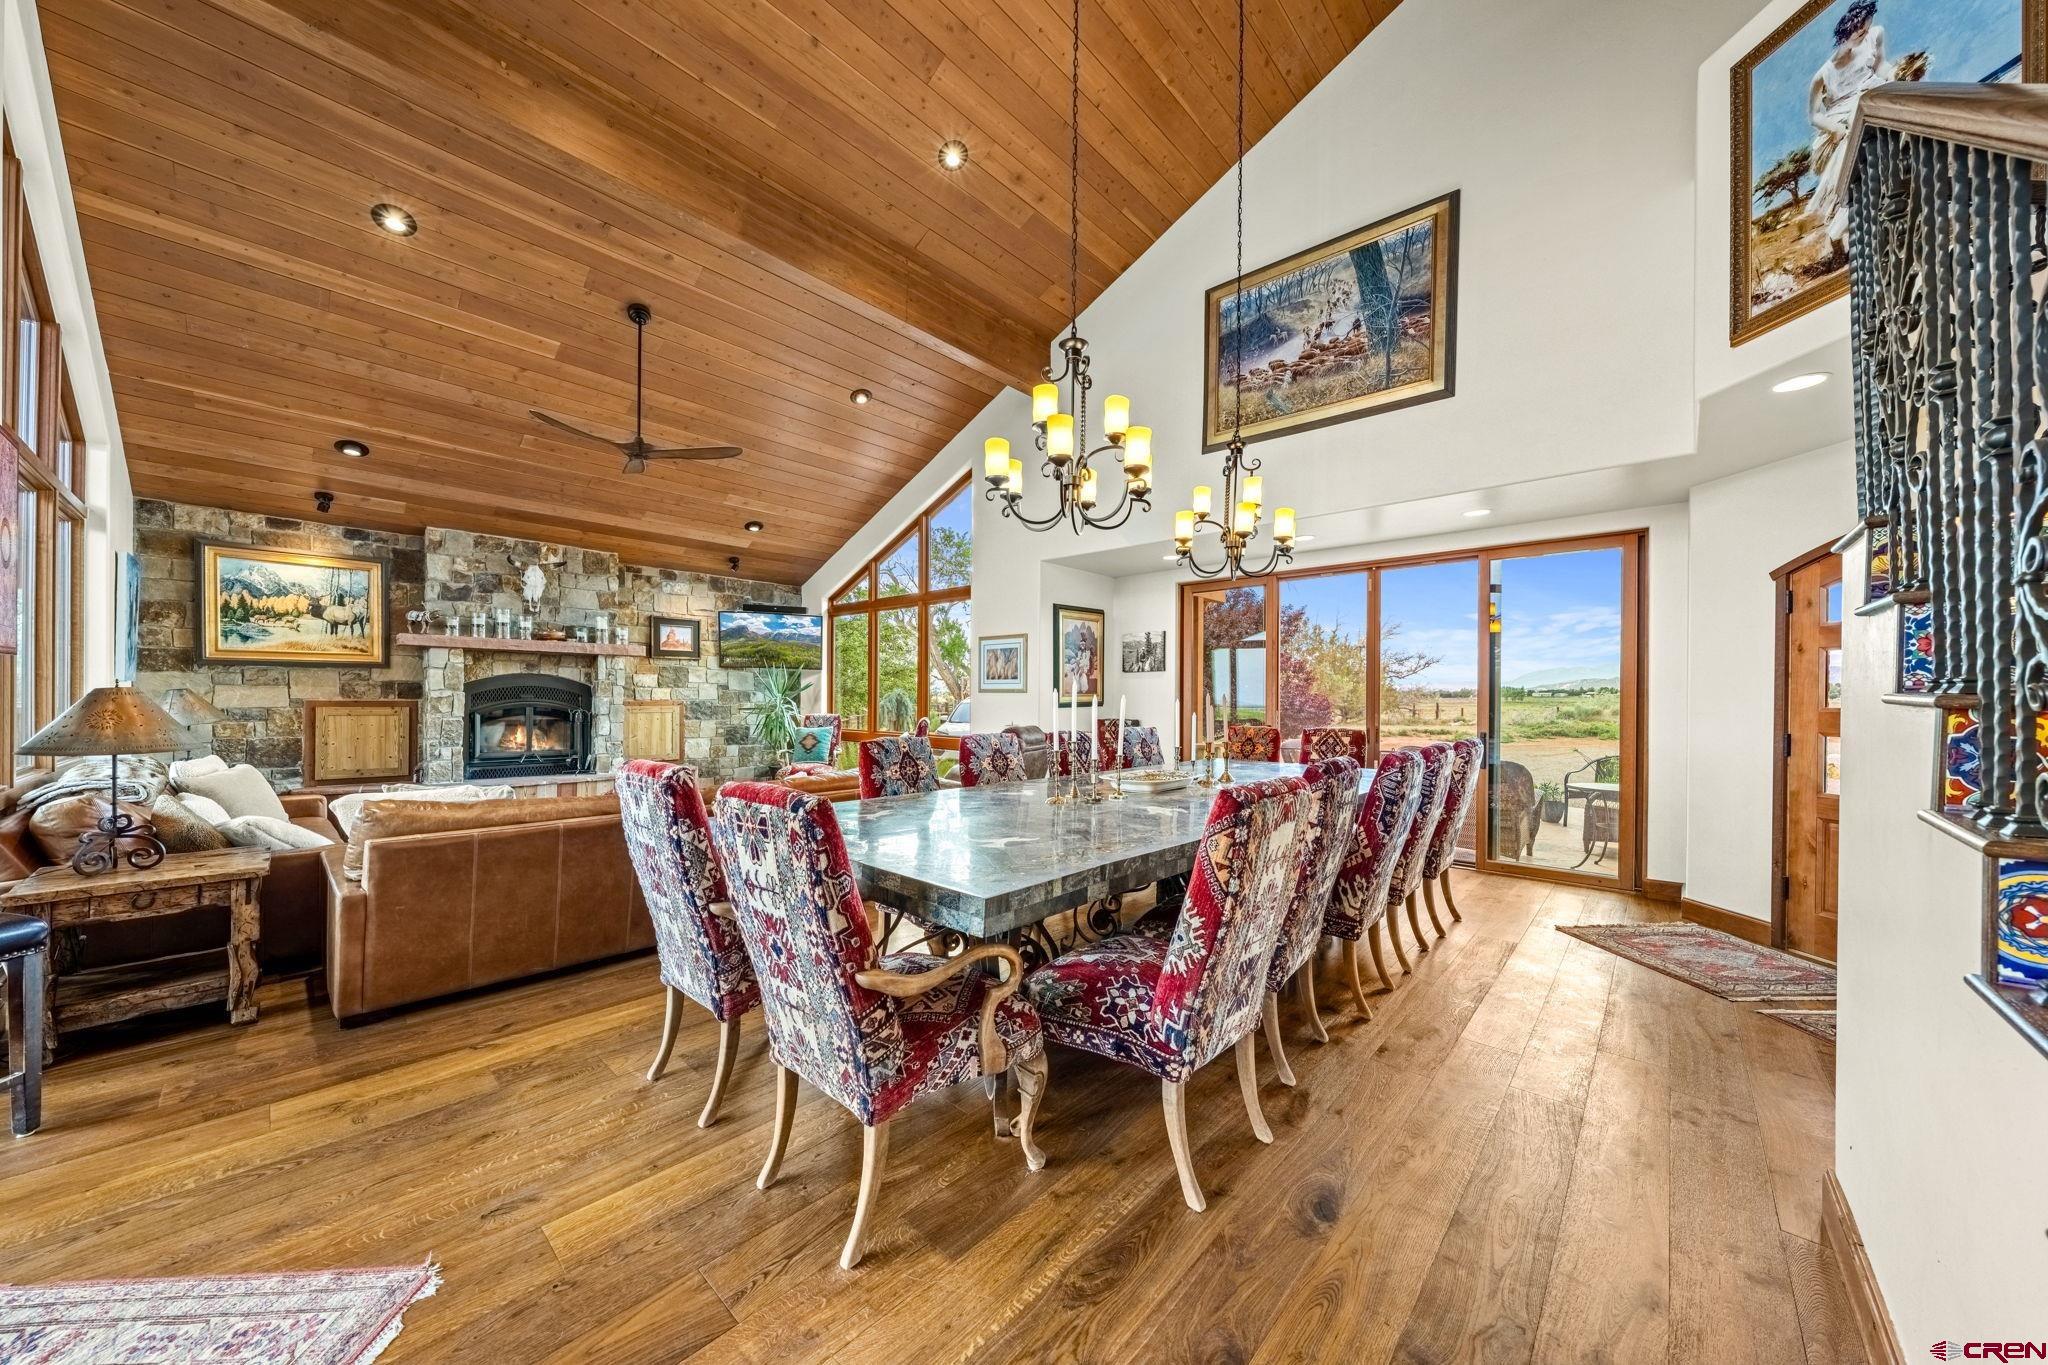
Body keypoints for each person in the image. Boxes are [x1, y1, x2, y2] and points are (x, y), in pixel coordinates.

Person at [1807, 1, 1887, 254]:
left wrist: (1892, 81)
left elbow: (1879, 67)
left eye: (1866, 30)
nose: (1864, 36)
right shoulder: (1824, 74)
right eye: (1859, 33)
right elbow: (1814, 115)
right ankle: (1839, 231)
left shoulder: (1875, 36)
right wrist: (1835, 129)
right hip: (1842, 120)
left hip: (1871, 100)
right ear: (1845, 34)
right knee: (1857, 173)